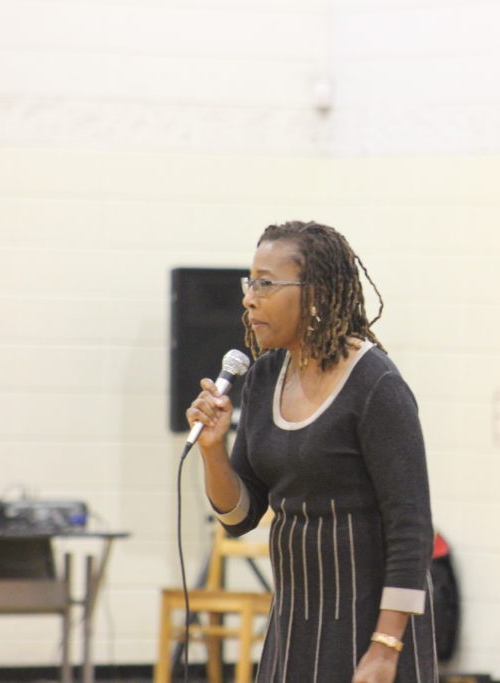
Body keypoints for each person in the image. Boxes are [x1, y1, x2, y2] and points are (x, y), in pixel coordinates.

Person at [186, 221, 437, 683]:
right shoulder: (263, 378)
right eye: (249, 283)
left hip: (371, 628)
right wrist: (212, 449)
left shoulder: (375, 384)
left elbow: (411, 526)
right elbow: (238, 517)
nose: (249, 298)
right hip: (294, 624)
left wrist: (386, 646)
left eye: (265, 284)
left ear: (316, 293)